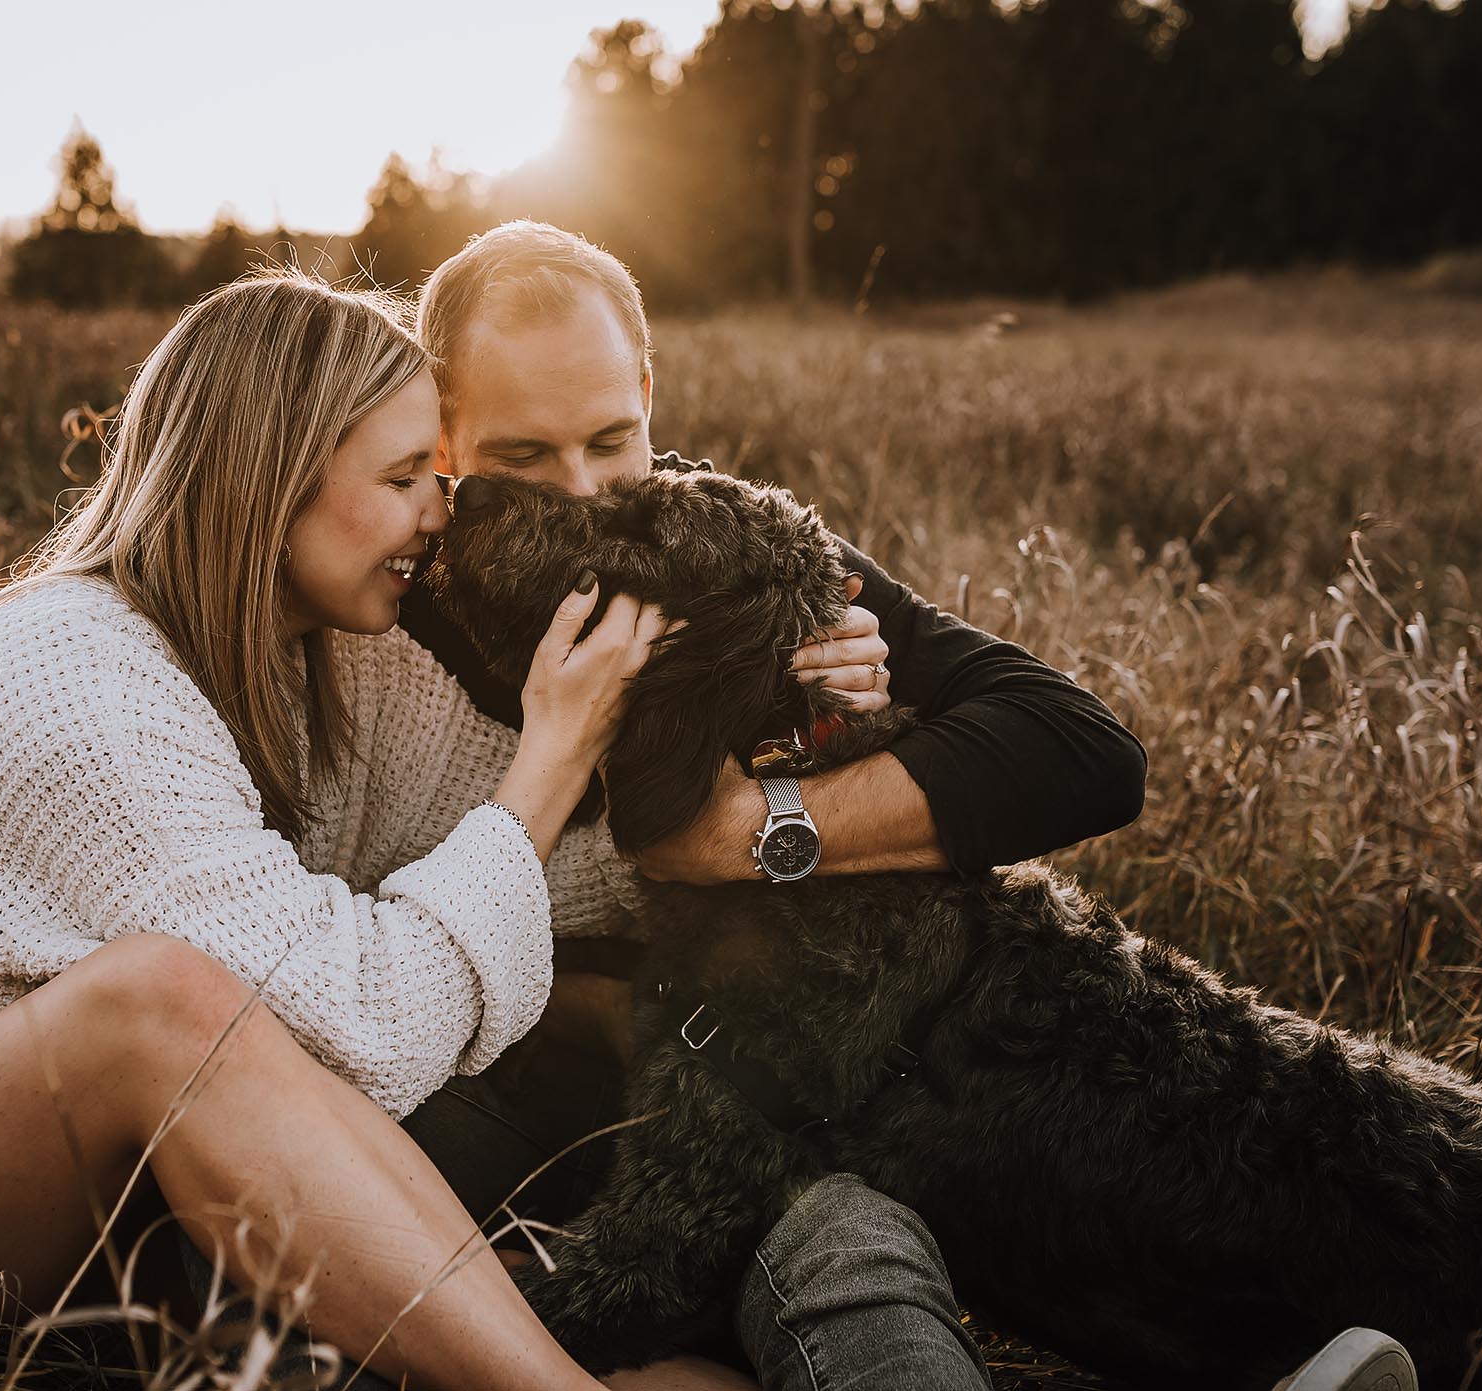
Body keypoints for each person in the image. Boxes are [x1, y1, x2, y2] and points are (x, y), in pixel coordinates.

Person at [392, 221, 1418, 1391]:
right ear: (443, 439)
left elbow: (1078, 749)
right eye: (522, 456)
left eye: (611, 440)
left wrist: (751, 830)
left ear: (647, 397)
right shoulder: (390, 603)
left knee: (843, 1243)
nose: (581, 493)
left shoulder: (716, 558)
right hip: (526, 1095)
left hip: (773, 1102)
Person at [0, 271, 722, 1390]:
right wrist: (550, 756)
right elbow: (362, 1030)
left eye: (443, 475)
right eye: (407, 476)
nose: (440, 512)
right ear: (270, 484)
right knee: (158, 1007)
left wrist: (800, 788)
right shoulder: (81, 683)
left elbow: (564, 868)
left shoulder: (322, 658)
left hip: (104, 1213)